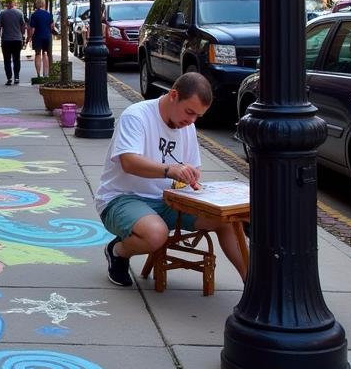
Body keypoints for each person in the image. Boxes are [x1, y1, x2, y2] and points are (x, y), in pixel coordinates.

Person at [95, 72, 248, 288]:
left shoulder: (188, 126)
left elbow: (193, 167)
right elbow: (129, 162)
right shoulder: (136, 116)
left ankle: (251, 285)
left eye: (197, 116)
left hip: (169, 200)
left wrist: (190, 175)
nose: (191, 121)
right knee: (156, 233)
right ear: (174, 95)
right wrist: (170, 170)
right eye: (189, 112)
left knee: (228, 220)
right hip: (121, 198)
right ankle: (117, 251)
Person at [0, 0, 27, 85]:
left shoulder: (3, 13)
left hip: (6, 40)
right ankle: (16, 77)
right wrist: (22, 36)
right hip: (17, 39)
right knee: (16, 59)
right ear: (13, 3)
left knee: (7, 60)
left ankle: (9, 78)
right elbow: (23, 25)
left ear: (7, 4)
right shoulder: (19, 13)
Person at [26, 0, 54, 79]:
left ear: (37, 4)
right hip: (47, 36)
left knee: (37, 54)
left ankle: (38, 74)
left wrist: (29, 37)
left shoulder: (34, 15)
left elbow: (32, 29)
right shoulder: (48, 14)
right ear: (44, 4)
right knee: (45, 54)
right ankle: (46, 74)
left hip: (37, 37)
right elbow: (52, 26)